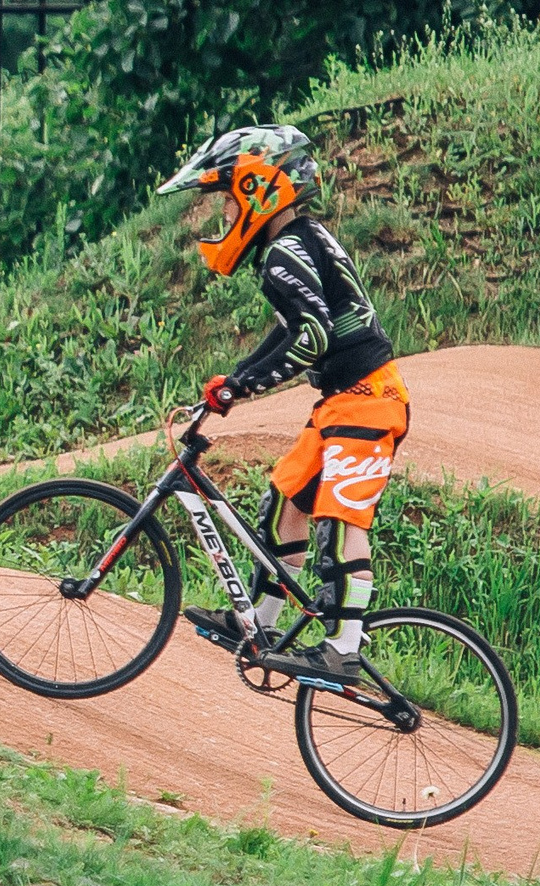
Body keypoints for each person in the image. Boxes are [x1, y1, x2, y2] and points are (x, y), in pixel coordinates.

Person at [157, 124, 405, 683]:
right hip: (346, 401)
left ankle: (343, 647)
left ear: (256, 192)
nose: (223, 218)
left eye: (226, 202)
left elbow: (312, 335)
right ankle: (259, 626)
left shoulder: (283, 256)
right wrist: (236, 380)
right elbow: (295, 330)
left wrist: (243, 387)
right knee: (286, 503)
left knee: (341, 520)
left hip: (368, 402)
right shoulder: (301, 240)